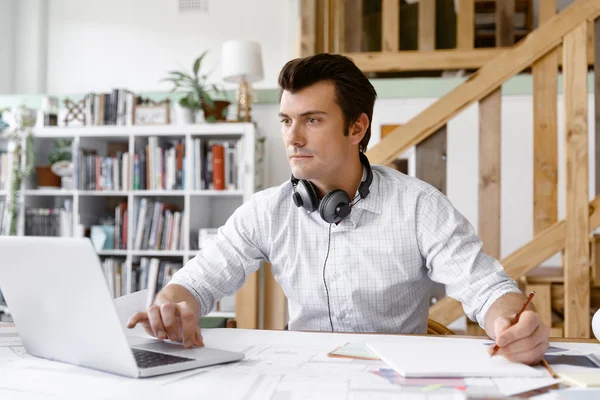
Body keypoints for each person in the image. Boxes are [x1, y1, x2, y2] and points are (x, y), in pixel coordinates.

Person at [128, 53, 550, 364]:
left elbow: (487, 289)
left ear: (357, 127)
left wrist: (511, 324)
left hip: (393, 380)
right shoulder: (266, 210)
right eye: (285, 120)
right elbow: (196, 284)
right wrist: (172, 304)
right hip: (300, 378)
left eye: (312, 120)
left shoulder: (419, 205)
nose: (292, 138)